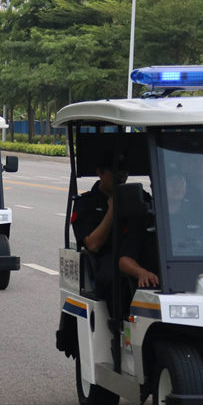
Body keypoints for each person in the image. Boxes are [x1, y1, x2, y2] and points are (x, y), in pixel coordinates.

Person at [57, 150, 128, 356]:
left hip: (134, 256)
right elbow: (93, 244)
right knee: (115, 278)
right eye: (114, 174)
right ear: (100, 172)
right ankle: (120, 331)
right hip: (104, 261)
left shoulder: (139, 198)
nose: (120, 179)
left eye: (123, 174)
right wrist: (112, 211)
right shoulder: (86, 203)